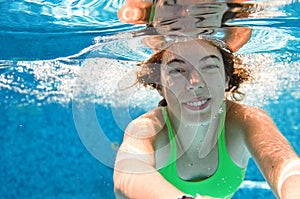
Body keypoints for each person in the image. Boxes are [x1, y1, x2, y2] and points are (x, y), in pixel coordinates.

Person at [113, 38, 300, 199]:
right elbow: (127, 173)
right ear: (160, 85)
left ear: (227, 78)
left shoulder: (246, 120)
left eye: (209, 66)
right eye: (177, 70)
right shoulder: (147, 128)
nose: (195, 82)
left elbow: (288, 169)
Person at [117, 0, 253, 52]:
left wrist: (159, 49)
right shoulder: (238, 10)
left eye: (172, 4)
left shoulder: (136, 12)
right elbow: (241, 34)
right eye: (200, 18)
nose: (186, 12)